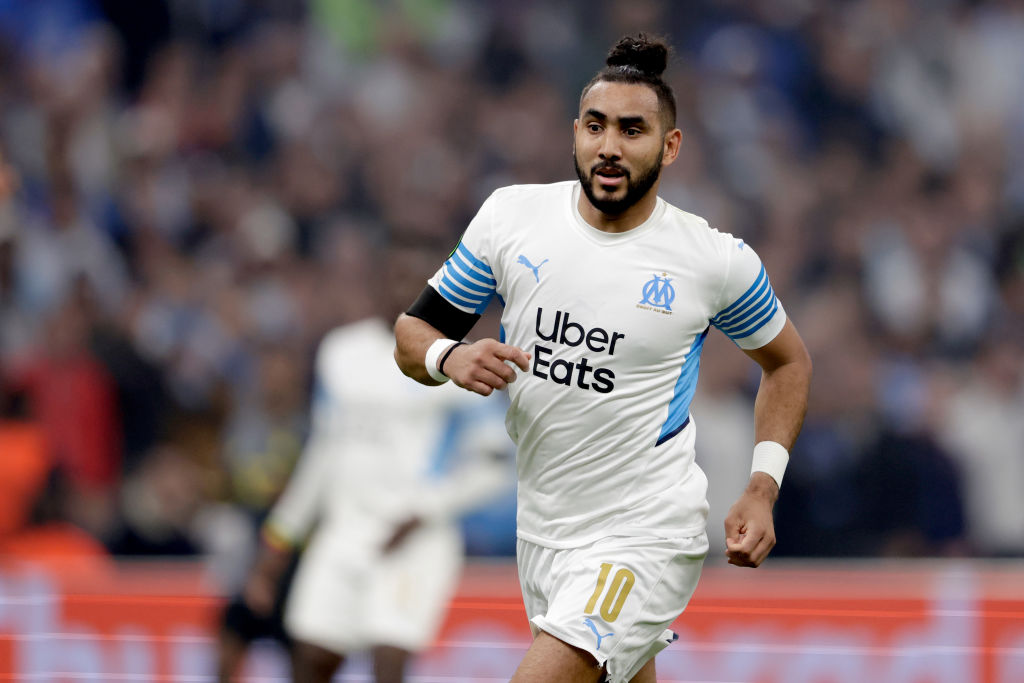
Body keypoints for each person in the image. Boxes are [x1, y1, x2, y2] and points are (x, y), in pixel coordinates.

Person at [393, 33, 812, 683]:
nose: (610, 146)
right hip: (543, 533)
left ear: (670, 146)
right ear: (576, 133)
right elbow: (411, 333)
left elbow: (787, 363)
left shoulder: (712, 259)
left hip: (646, 532)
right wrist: (450, 356)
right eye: (596, 126)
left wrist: (762, 487)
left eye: (632, 130)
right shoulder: (512, 218)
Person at [231, 242, 513, 683]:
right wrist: (279, 541)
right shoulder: (342, 353)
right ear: (378, 282)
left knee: (388, 662)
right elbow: (323, 454)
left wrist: (426, 510)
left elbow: (495, 466)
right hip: (342, 533)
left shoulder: (454, 360)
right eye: (395, 277)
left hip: (412, 541)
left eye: (419, 282)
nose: (405, 290)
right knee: (310, 659)